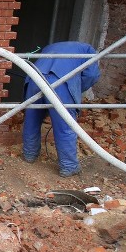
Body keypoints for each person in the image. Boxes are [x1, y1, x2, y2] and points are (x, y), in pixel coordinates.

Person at [22, 41, 100, 178]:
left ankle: (29, 155)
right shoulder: (88, 50)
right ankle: (69, 166)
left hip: (34, 79)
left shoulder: (50, 46)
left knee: (32, 121)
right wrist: (76, 88)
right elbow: (91, 75)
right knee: (65, 127)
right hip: (60, 83)